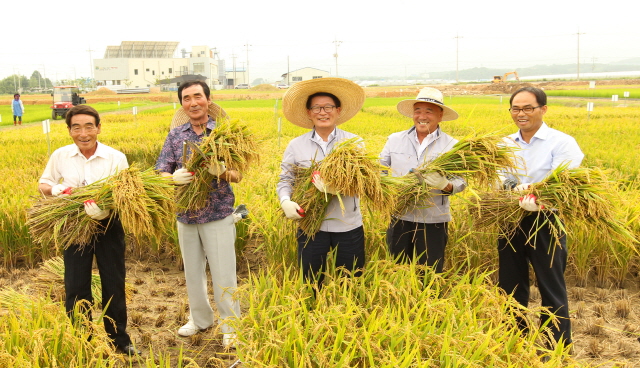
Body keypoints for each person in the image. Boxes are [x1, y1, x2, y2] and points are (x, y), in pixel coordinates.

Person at [38, 105, 139, 356]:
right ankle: (82, 337)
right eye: (76, 127)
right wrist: (55, 190)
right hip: (74, 224)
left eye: (89, 126)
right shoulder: (60, 156)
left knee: (113, 282)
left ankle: (119, 339)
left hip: (108, 223)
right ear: (69, 130)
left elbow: (126, 193)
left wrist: (107, 209)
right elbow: (44, 183)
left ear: (98, 128)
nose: (83, 133)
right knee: (76, 282)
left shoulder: (115, 157)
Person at [155, 80, 240, 348]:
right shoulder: (175, 135)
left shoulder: (225, 134)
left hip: (218, 212)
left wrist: (222, 172)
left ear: (208, 99)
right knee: (193, 272)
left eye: (197, 97)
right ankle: (200, 319)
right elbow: (161, 170)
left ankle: (231, 326)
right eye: (186, 98)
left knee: (224, 271)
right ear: (182, 103)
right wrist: (172, 178)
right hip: (186, 214)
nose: (193, 102)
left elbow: (237, 174)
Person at [499, 86, 584, 347]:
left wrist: (538, 197)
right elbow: (499, 177)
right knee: (510, 284)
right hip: (510, 219)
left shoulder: (562, 142)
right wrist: (514, 189)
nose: (520, 114)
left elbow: (564, 182)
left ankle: (556, 345)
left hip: (546, 220)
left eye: (528, 108)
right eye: (516, 108)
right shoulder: (504, 143)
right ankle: (514, 339)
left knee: (550, 283)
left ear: (543, 109)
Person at [277, 77, 366, 288]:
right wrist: (285, 200)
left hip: (348, 225)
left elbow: (366, 181)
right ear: (309, 113)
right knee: (310, 283)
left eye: (328, 107)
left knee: (350, 282)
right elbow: (285, 178)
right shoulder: (296, 145)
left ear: (338, 110)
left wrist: (341, 185)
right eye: (316, 108)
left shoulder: (354, 143)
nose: (322, 112)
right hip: (310, 225)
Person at [380, 87, 466, 272]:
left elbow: (461, 181)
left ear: (440, 115)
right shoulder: (394, 140)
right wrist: (390, 186)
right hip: (399, 216)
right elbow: (380, 170)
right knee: (397, 271)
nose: (422, 116)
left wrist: (446, 185)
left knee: (429, 274)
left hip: (433, 220)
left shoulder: (452, 146)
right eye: (418, 110)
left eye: (429, 111)